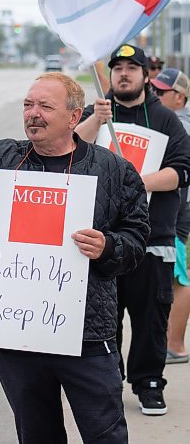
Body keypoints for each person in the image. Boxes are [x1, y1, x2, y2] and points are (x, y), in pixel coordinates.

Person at [0, 57, 150, 443]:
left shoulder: (114, 171)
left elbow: (137, 242)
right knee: (37, 435)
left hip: (86, 334)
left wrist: (108, 246)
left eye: (45, 107)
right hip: (18, 333)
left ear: (74, 117)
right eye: (28, 105)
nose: (33, 114)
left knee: (106, 435)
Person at [76, 44, 190, 416]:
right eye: (117, 68)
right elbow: (69, 152)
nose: (123, 74)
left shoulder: (164, 119)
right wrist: (95, 120)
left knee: (150, 319)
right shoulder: (97, 112)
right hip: (102, 240)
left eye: (132, 67)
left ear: (145, 74)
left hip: (152, 239)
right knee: (103, 318)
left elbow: (182, 170)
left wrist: (137, 181)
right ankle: (108, 382)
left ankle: (149, 384)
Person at [151, 68, 190, 364]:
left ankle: (175, 346)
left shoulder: (179, 125)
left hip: (180, 212)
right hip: (180, 211)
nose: (155, 96)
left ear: (179, 97)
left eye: (161, 92)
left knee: (179, 279)